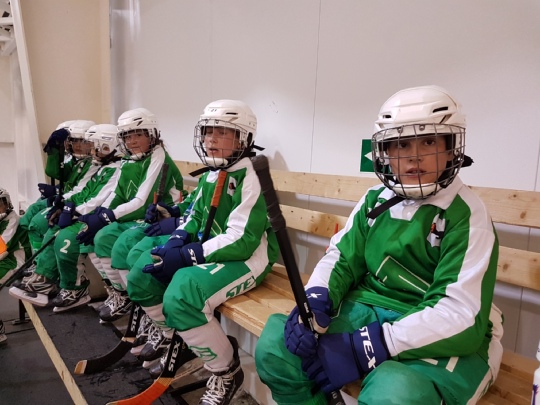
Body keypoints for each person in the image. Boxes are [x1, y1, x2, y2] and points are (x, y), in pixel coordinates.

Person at [255, 85, 504, 405]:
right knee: (278, 347)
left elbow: (460, 314)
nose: (414, 156)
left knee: (395, 393)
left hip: (445, 331)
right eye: (400, 144)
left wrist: (370, 345)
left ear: (451, 147)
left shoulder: (468, 214)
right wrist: (317, 298)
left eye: (428, 141)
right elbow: (342, 258)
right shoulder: (375, 200)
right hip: (370, 307)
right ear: (385, 151)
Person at [127, 99, 278, 404]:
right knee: (142, 273)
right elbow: (194, 217)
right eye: (208, 132)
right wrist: (174, 242)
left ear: (243, 138)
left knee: (183, 293)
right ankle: (173, 337)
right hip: (215, 251)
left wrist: (187, 255)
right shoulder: (213, 172)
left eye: (221, 132)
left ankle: (226, 372)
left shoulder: (251, 175)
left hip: (249, 259)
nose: (210, 139)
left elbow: (242, 239)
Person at [76, 108, 185, 323]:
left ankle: (142, 303)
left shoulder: (159, 159)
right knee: (98, 236)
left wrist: (107, 218)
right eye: (127, 136)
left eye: (138, 135)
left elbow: (142, 202)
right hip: (137, 216)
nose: (132, 141)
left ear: (152, 135)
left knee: (123, 242)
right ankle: (119, 292)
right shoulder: (129, 160)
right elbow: (117, 193)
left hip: (159, 218)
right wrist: (101, 213)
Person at [9, 124, 123, 311]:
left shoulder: (115, 168)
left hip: (99, 215)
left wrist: (72, 210)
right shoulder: (100, 165)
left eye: (95, 145)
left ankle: (74, 287)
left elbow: (98, 198)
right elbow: (81, 190)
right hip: (86, 210)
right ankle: (43, 274)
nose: (91, 149)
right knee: (44, 225)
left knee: (63, 238)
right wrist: (63, 204)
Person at [19, 120, 97, 254]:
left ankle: (39, 260)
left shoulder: (94, 164)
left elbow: (80, 189)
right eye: (74, 141)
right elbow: (54, 172)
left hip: (76, 204)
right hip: (66, 199)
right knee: (27, 218)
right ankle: (33, 258)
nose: (77, 145)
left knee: (38, 224)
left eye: (82, 141)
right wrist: (54, 152)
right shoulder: (77, 160)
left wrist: (59, 197)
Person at [0, 187, 32, 344]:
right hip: (6, 259)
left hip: (17, 261)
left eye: (0, 204)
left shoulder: (11, 221)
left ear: (7, 203)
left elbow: (1, 250)